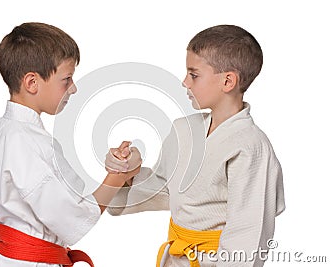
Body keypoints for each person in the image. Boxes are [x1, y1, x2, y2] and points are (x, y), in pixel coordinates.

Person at [105, 25, 285, 267]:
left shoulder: (251, 147)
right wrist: (128, 173)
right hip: (176, 260)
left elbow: (248, 235)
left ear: (228, 81)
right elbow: (168, 192)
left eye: (194, 74)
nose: (185, 82)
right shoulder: (184, 130)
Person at [0, 22, 141, 267]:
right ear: (32, 83)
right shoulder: (26, 142)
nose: (73, 88)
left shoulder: (1, 130)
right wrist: (116, 177)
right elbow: (70, 216)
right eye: (66, 79)